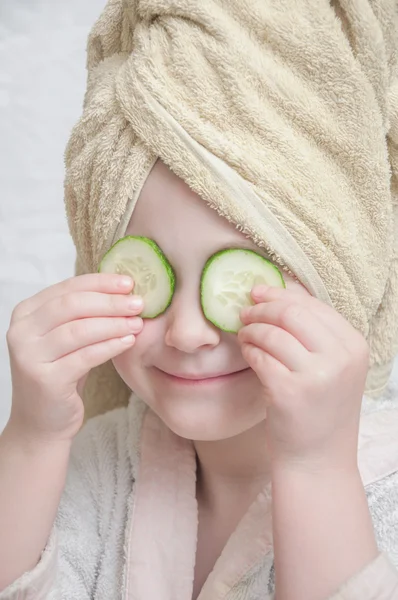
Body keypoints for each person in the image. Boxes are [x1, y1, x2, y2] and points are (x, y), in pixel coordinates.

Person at [1, 1, 398, 599]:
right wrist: (30, 437)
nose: (187, 332)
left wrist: (316, 468)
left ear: (339, 272)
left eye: (237, 282)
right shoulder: (96, 463)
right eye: (148, 277)